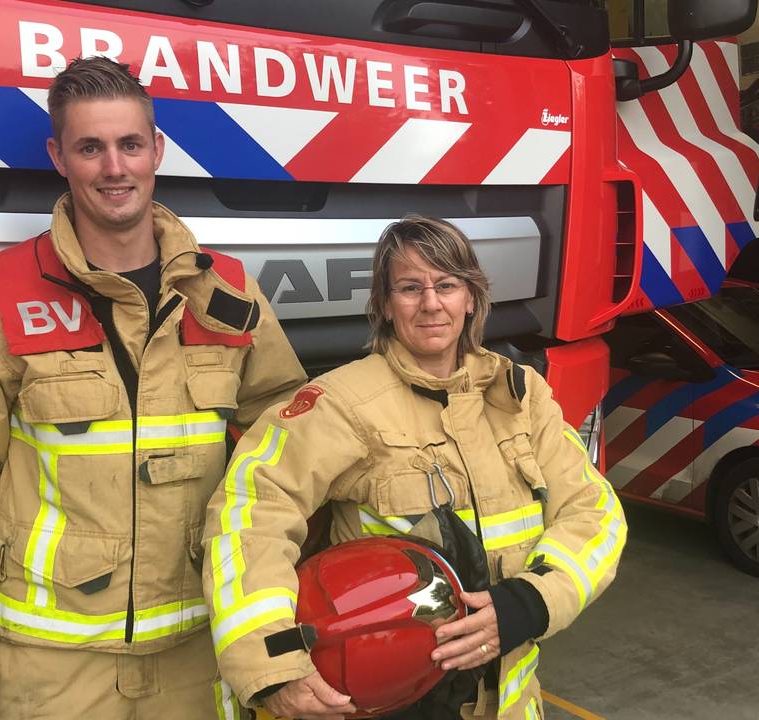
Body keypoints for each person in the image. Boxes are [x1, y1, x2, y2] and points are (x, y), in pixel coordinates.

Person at [0, 56, 305, 718]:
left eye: (130, 145)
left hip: (199, 650)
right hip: (49, 666)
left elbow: (287, 450)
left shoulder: (225, 293)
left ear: (156, 150)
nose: (115, 168)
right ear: (60, 156)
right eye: (91, 147)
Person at [202, 215, 627, 719]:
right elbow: (250, 516)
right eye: (409, 287)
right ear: (384, 304)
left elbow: (594, 511)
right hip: (394, 699)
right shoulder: (340, 403)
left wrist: (529, 603)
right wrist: (272, 664)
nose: (430, 303)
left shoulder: (520, 396)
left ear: (471, 297)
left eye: (446, 285)